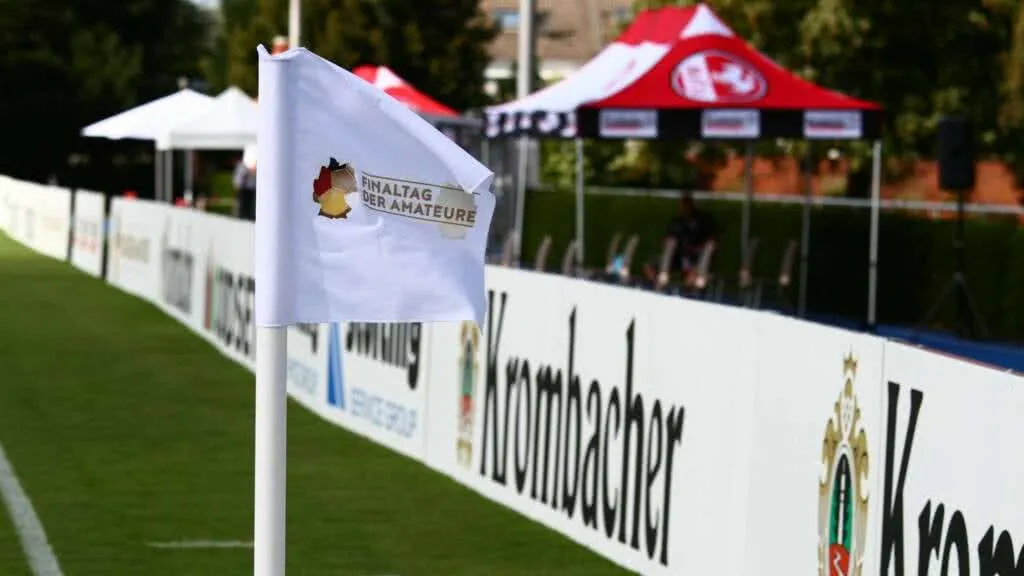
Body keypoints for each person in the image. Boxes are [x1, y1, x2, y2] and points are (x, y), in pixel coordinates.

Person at [643, 192, 717, 286]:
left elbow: (712, 241)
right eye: (682, 206)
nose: (684, 209)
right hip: (677, 256)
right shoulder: (677, 222)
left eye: (686, 206)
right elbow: (667, 239)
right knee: (650, 265)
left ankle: (691, 291)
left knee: (692, 277)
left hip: (695, 257)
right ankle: (658, 286)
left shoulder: (702, 221)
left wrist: (698, 249)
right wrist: (669, 244)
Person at [233, 145, 257, 221]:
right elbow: (238, 179)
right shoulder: (242, 166)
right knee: (244, 208)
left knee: (252, 208)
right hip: (244, 189)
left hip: (253, 189)